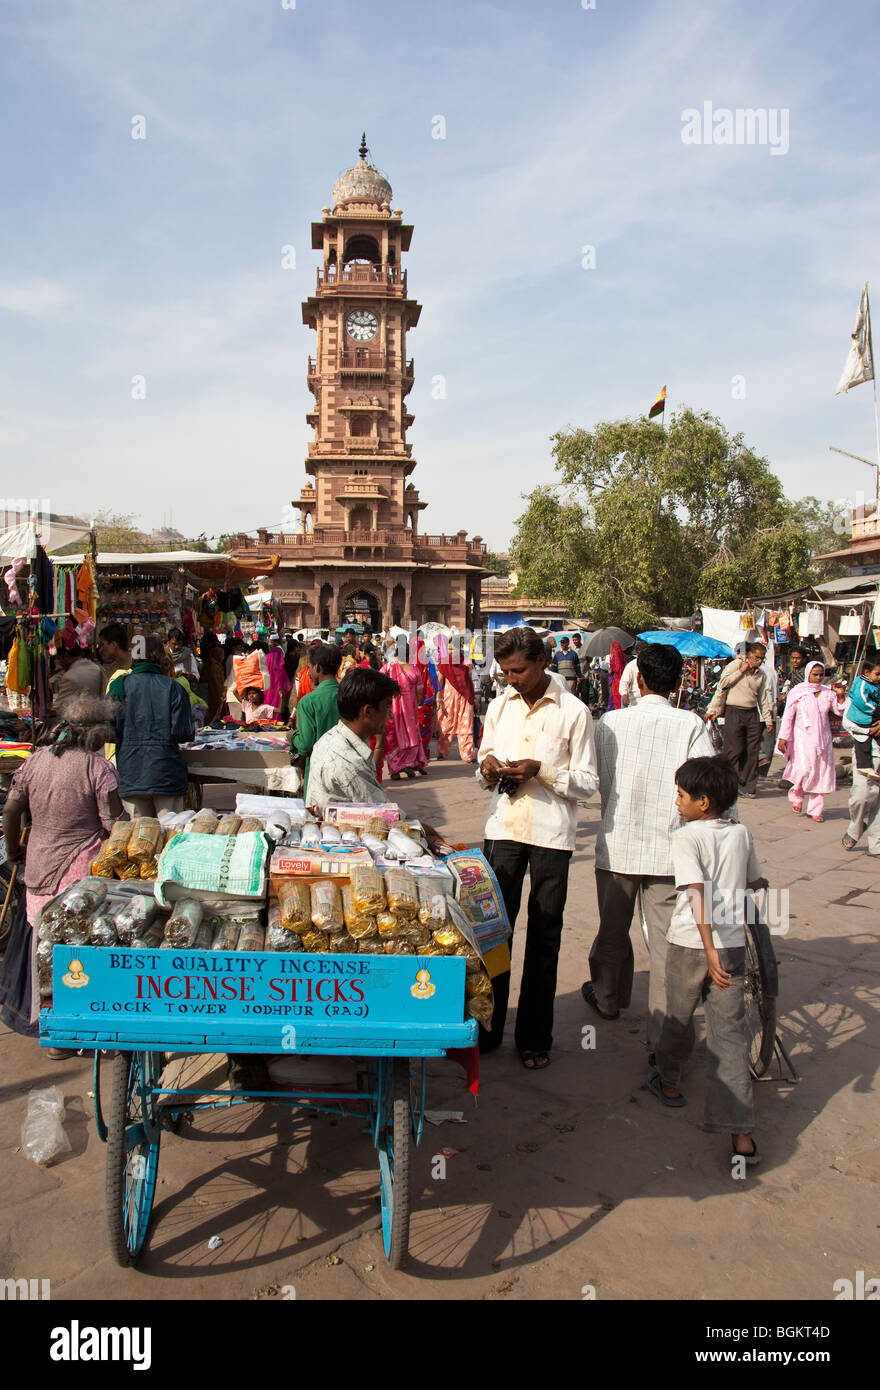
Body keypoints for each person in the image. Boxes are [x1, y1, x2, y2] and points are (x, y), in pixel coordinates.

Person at [582, 643, 716, 1056]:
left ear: (637, 679)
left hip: (618, 843)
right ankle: (663, 1038)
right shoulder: (690, 724)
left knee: (612, 928)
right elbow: (707, 783)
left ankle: (607, 998)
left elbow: (594, 777)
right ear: (678, 683)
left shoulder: (610, 722)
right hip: (670, 850)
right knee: (666, 947)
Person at [476, 626, 598, 1069]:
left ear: (543, 663)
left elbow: (587, 784)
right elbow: (483, 757)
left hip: (551, 836)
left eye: (519, 671)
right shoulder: (498, 706)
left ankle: (533, 1038)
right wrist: (488, 768)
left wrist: (541, 770)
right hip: (504, 829)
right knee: (495, 934)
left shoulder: (574, 712)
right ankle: (487, 1029)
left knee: (545, 936)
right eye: (506, 671)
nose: (512, 679)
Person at [647, 756, 765, 1164]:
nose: (676, 802)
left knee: (679, 1018)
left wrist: (709, 952)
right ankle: (742, 1135)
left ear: (703, 801)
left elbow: (695, 893)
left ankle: (671, 1082)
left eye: (681, 795)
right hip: (732, 947)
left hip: (692, 944)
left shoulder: (687, 837)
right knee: (729, 1036)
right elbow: (753, 878)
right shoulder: (740, 833)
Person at [0, 696, 123, 1052]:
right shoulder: (97, 768)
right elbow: (114, 824)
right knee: (75, 950)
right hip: (79, 869)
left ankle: (51, 1030)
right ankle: (78, 1026)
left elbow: (11, 811)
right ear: (97, 734)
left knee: (43, 946)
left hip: (38, 863)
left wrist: (15, 851)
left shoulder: (36, 761)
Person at [107, 635, 195, 818]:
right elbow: (183, 732)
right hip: (166, 772)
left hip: (131, 772)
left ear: (134, 657)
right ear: (159, 657)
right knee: (171, 833)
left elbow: (109, 731)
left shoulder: (118, 685)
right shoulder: (173, 687)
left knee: (139, 839)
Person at [306, 668, 401, 812]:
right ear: (367, 712)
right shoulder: (349, 764)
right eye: (387, 706)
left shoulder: (329, 738)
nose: (390, 713)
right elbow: (387, 815)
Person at [776, 660, 845, 822]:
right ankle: (796, 795)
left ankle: (815, 810)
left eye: (821, 675)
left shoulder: (828, 693)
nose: (818, 678)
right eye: (815, 674)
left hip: (823, 739)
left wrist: (840, 695)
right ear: (808, 674)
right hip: (802, 738)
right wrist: (783, 737)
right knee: (804, 770)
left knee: (821, 773)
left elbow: (839, 711)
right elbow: (788, 717)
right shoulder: (797, 692)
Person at [708, 642, 774, 797]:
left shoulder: (760, 674)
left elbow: (763, 698)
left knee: (752, 751)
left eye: (761, 658)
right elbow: (723, 684)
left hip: (752, 714)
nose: (759, 660)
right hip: (734, 711)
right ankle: (724, 782)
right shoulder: (735, 665)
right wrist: (740, 672)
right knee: (734, 749)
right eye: (756, 657)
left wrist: (768, 720)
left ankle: (748, 786)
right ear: (749, 655)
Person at [290, 641, 343, 800]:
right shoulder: (350, 695)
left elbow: (305, 745)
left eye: (310, 667)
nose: (309, 672)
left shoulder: (308, 702)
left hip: (319, 774)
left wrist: (292, 737)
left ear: (317, 668)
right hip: (346, 771)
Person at [382, 639, 429, 779]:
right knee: (411, 734)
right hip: (410, 707)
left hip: (392, 707)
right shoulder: (414, 670)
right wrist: (415, 703)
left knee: (393, 736)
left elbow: (378, 680)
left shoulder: (389, 667)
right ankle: (408, 763)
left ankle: (395, 769)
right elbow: (420, 691)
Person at [435, 634, 475, 766]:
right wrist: (437, 697)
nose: (451, 651)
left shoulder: (466, 661)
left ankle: (468, 754)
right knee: (446, 725)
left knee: (466, 725)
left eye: (453, 649)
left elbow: (469, 680)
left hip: (465, 697)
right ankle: (442, 751)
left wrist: (473, 697)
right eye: (449, 649)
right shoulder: (444, 662)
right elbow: (440, 682)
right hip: (448, 697)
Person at [841, 654, 880, 782]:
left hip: (870, 717)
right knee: (862, 742)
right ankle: (864, 766)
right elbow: (862, 701)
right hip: (862, 718)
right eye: (877, 674)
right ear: (867, 672)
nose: (879, 678)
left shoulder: (873, 683)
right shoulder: (861, 684)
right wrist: (876, 710)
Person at [51, 643, 103, 710]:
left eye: (59, 659)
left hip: (79, 716)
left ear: (65, 656)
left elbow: (59, 707)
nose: (59, 663)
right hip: (97, 714)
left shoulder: (69, 677)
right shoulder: (96, 668)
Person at [200, 631, 227, 722]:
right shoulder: (214, 667)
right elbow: (217, 683)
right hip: (213, 694)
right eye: (222, 655)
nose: (223, 657)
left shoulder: (214, 665)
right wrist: (221, 695)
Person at [98, 622, 131, 692]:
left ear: (113, 645)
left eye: (102, 645)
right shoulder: (111, 670)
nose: (100, 650)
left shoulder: (135, 667)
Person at [607, 641, 628, 711]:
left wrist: (611, 669)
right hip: (622, 676)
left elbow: (617, 668)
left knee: (616, 696)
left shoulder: (615, 656)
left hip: (616, 678)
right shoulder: (623, 655)